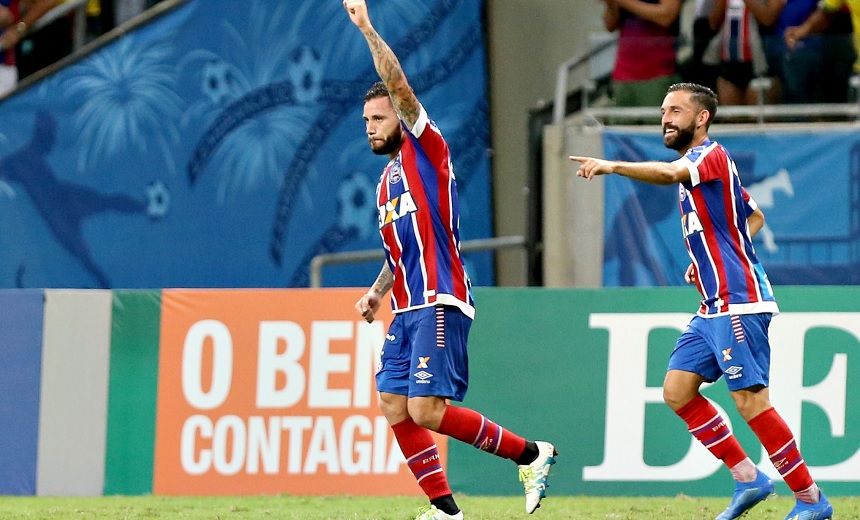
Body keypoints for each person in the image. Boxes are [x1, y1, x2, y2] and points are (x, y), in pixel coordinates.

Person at [569, 83, 833, 520]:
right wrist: (711, 256)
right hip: (712, 304)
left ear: (702, 118)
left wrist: (613, 165)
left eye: (676, 110)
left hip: (739, 301)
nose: (666, 118)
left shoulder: (706, 156)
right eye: (663, 110)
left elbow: (671, 176)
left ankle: (811, 500)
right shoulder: (701, 167)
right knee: (677, 391)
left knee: (751, 401)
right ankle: (749, 478)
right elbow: (754, 215)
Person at [344, 1, 557, 519]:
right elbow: (401, 253)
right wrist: (379, 291)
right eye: (366, 120)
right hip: (409, 306)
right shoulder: (385, 182)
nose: (370, 127)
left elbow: (398, 83)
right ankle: (446, 511)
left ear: (401, 115)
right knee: (393, 404)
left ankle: (531, 455)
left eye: (379, 117)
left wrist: (368, 29)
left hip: (442, 299)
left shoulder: (427, 148)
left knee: (426, 410)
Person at [603, 0, 683, 107]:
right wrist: (611, 4)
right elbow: (610, 26)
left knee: (656, 121)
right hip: (622, 74)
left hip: (657, 74)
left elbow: (667, 16)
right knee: (619, 122)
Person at [706, 0, 784, 105]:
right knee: (731, 117)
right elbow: (713, 24)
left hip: (760, 64)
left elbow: (768, 19)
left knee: (757, 116)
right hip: (730, 61)